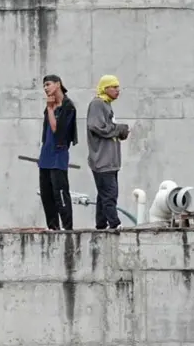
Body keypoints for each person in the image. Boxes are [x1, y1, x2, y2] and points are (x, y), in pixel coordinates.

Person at [86, 75, 129, 230]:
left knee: (103, 195)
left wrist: (119, 132)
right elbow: (96, 126)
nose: (117, 90)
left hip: (110, 161)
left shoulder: (107, 105)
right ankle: (114, 223)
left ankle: (101, 224)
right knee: (110, 194)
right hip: (102, 161)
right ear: (105, 88)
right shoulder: (98, 104)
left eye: (118, 87)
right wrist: (118, 129)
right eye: (114, 87)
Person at [38, 74, 78, 231]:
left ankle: (67, 227)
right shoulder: (49, 107)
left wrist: (50, 108)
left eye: (48, 84)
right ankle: (53, 226)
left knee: (60, 193)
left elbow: (57, 131)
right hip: (46, 155)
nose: (46, 88)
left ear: (58, 84)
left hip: (58, 155)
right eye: (44, 86)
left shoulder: (68, 107)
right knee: (46, 194)